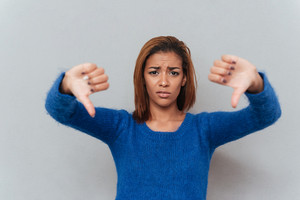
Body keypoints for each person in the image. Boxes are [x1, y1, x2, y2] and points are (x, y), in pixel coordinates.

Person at [45, 36, 281, 200]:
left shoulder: (204, 130)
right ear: (143, 77)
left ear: (184, 79)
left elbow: (266, 115)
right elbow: (61, 111)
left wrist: (256, 84)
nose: (164, 81)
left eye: (174, 72)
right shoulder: (121, 128)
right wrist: (66, 86)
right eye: (154, 72)